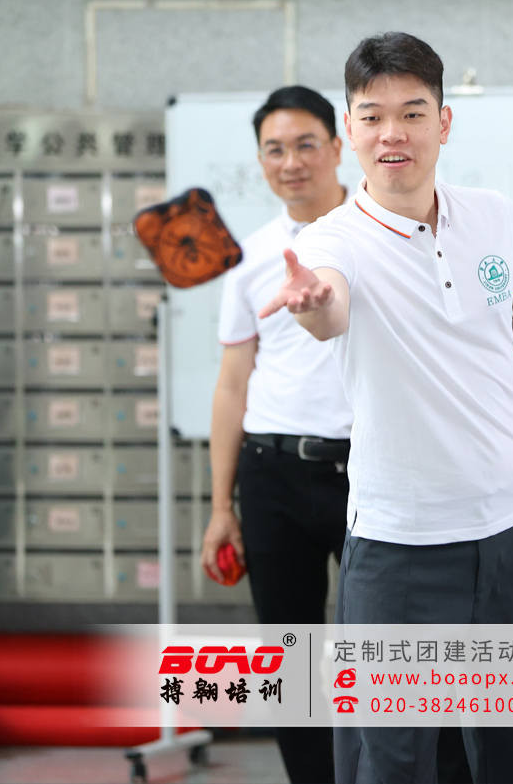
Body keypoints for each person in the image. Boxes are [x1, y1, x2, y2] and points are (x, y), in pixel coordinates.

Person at [259, 33, 513, 784]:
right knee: (391, 764)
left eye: (413, 113)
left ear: (444, 123)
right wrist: (312, 304)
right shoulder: (333, 241)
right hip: (399, 550)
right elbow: (329, 305)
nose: (393, 133)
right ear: (351, 129)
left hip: (512, 536)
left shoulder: (497, 218)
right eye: (372, 116)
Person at [200, 85, 352, 784]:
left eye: (305, 145)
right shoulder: (250, 256)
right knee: (292, 662)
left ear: (338, 147)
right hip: (272, 474)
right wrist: (220, 506)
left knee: (388, 650)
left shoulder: (381, 236)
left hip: (367, 473)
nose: (291, 162)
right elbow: (233, 383)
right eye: (274, 150)